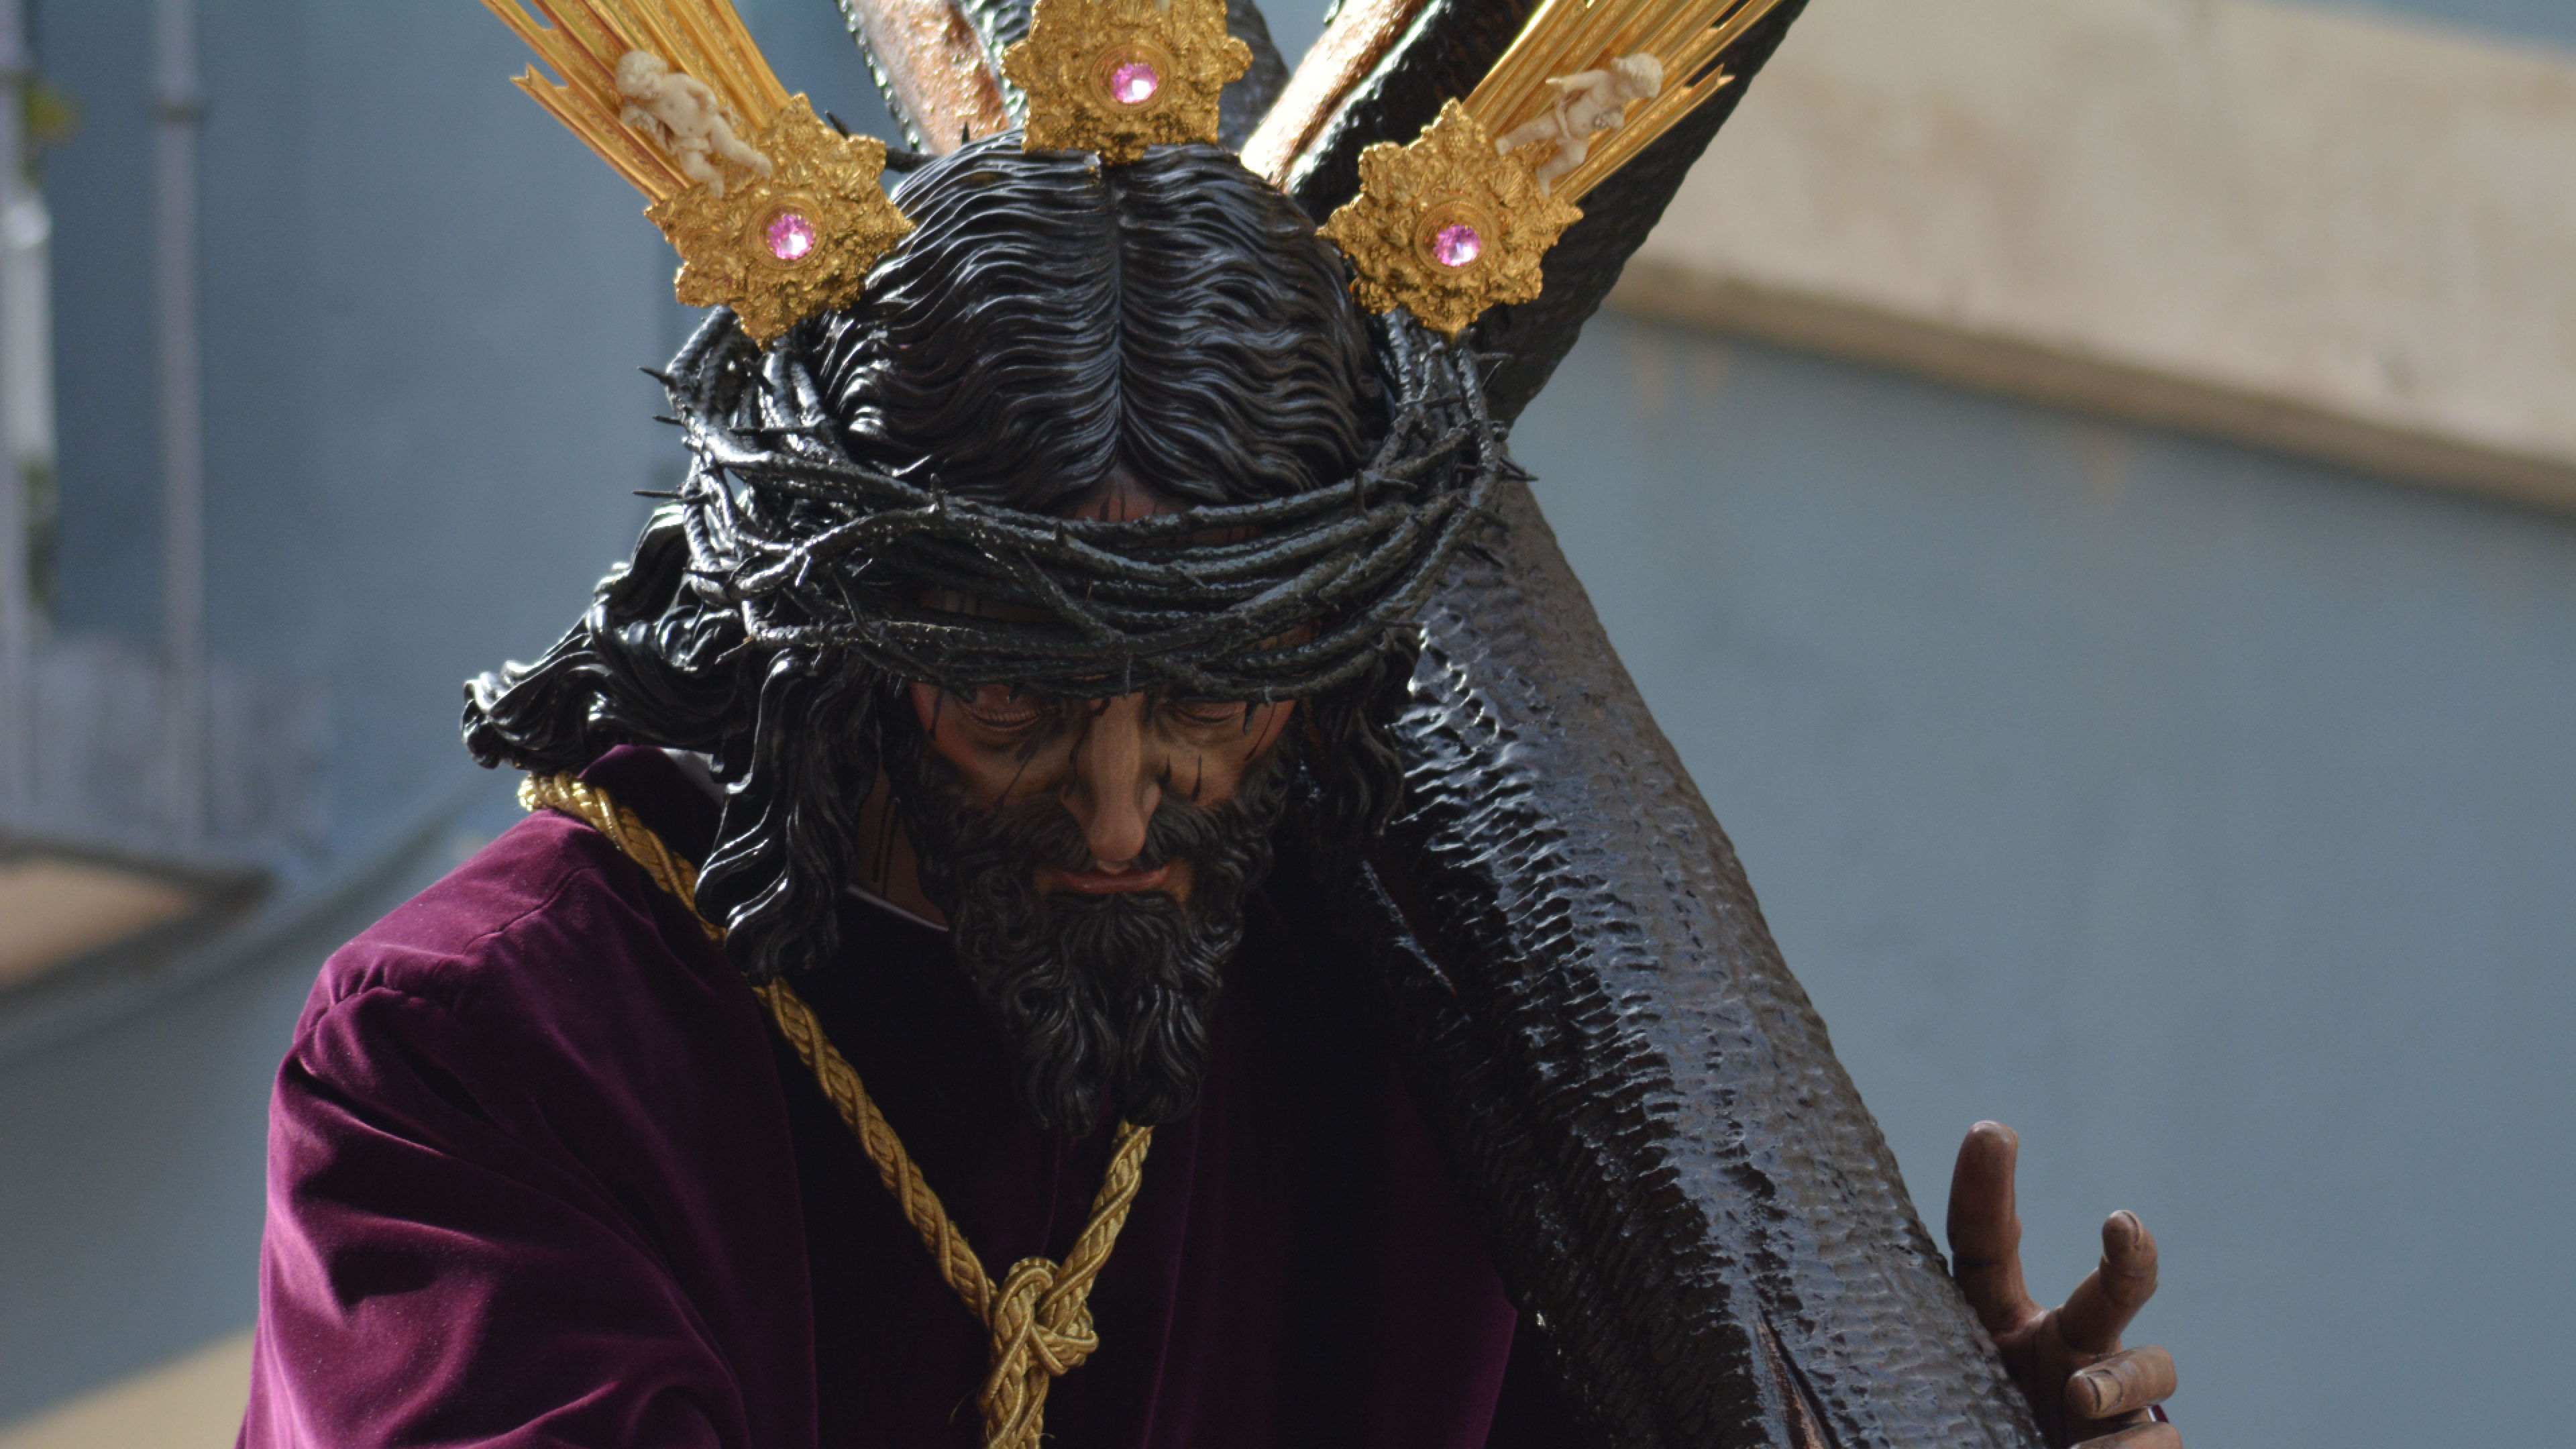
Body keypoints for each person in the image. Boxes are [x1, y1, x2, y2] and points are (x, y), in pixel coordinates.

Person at [240, 3, 2184, 1446]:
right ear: (849, 641)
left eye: (1208, 702)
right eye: (1012, 699)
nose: (1115, 807)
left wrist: (1896, 1398)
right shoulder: (489, 1049)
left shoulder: (1385, 1044)